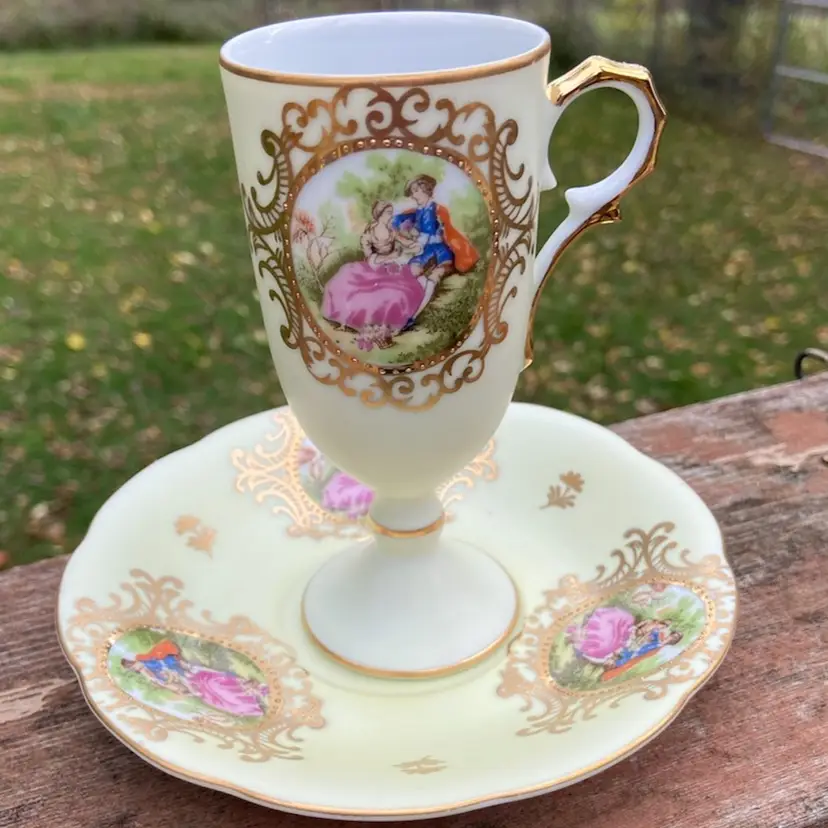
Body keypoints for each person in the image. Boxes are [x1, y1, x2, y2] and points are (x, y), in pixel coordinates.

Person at [321, 200, 425, 351]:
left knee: (401, 292)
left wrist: (415, 245)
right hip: (372, 269)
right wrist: (387, 258)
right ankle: (370, 328)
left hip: (392, 268)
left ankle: (388, 328)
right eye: (388, 213)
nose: (391, 216)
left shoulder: (391, 230)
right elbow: (370, 258)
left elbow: (404, 241)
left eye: (391, 213)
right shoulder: (369, 233)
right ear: (380, 215)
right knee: (357, 292)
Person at [392, 174, 480, 319]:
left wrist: (418, 239)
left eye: (416, 191)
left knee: (434, 277)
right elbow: (399, 219)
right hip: (425, 251)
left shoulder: (439, 209)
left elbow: (447, 232)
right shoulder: (418, 211)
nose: (413, 196)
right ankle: (401, 310)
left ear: (425, 189)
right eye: (413, 192)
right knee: (410, 272)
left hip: (441, 250)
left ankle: (414, 316)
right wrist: (400, 229)